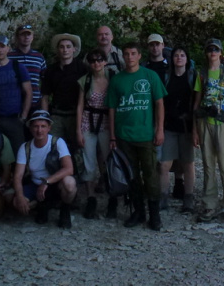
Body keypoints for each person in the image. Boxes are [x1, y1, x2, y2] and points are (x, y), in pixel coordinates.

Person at [108, 43, 166, 230]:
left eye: (133, 53)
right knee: (132, 177)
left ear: (140, 56)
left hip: (146, 135)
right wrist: (112, 136)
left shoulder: (150, 76)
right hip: (124, 136)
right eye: (126, 54)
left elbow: (159, 103)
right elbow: (111, 109)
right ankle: (138, 212)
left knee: (151, 175)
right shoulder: (117, 80)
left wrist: (159, 130)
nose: (130, 57)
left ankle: (155, 215)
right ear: (123, 56)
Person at [192, 38, 224, 224]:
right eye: (210, 49)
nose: (213, 52)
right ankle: (209, 205)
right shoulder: (202, 74)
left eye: (216, 49)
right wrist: (194, 130)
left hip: (223, 124)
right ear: (206, 53)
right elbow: (196, 104)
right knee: (207, 166)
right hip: (205, 122)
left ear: (221, 53)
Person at [12, 110, 77, 228]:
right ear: (30, 128)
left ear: (49, 128)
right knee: (17, 203)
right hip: (35, 183)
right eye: (36, 126)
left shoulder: (58, 142)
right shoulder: (25, 147)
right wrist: (20, 196)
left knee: (70, 183)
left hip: (54, 183)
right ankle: (42, 205)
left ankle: (65, 209)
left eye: (43, 126)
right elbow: (18, 176)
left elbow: (69, 169)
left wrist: (47, 181)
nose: (39, 130)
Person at [76, 49, 116, 219]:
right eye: (93, 61)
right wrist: (78, 129)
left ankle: (112, 198)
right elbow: (80, 105)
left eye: (99, 60)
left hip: (108, 122)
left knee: (110, 161)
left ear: (105, 61)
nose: (96, 63)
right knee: (89, 161)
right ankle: (91, 198)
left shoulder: (113, 77)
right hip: (88, 121)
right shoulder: (85, 80)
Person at [159, 46, 197, 213]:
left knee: (188, 163)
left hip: (186, 126)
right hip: (169, 125)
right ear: (172, 59)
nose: (179, 58)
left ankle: (188, 198)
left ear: (187, 59)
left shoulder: (192, 76)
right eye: (176, 55)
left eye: (182, 55)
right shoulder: (166, 76)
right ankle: (163, 196)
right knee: (164, 164)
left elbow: (197, 100)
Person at [41, 33, 84, 155]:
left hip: (75, 115)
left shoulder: (82, 67)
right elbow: (45, 96)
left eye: (68, 46)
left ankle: (75, 173)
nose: (65, 50)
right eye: (62, 47)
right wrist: (45, 117)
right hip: (56, 115)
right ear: (58, 49)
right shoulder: (51, 70)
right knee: (53, 147)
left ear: (74, 49)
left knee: (78, 149)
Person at [8, 23, 47, 117]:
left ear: (32, 37)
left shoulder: (39, 57)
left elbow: (45, 81)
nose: (26, 37)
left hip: (35, 103)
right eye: (23, 34)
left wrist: (44, 104)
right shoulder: (9, 56)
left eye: (28, 34)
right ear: (17, 37)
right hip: (14, 102)